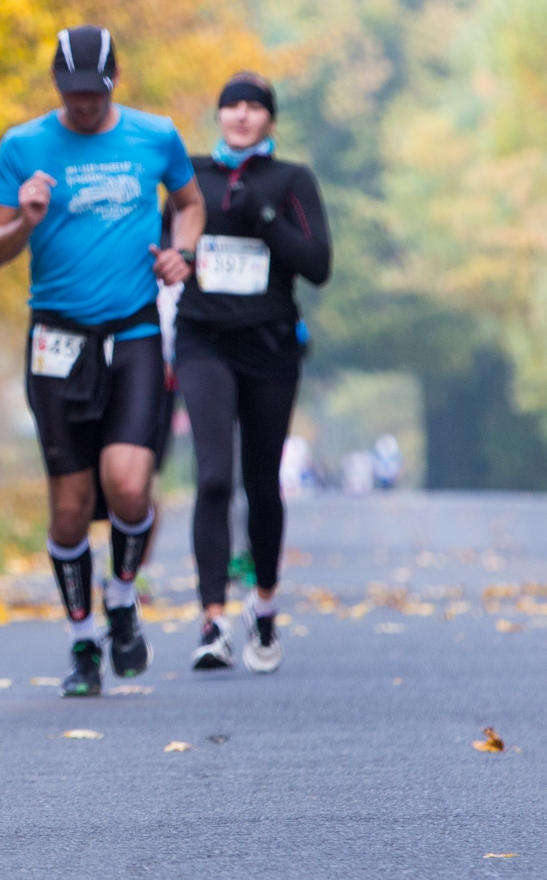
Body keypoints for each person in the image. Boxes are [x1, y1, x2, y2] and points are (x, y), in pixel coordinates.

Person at [0, 25, 205, 697]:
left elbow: (189, 203)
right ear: (56, 84)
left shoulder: (155, 135)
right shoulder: (23, 146)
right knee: (72, 504)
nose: (82, 105)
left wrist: (181, 254)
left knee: (130, 484)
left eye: (94, 92)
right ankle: (84, 643)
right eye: (71, 93)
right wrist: (23, 218)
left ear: (115, 81)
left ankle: (123, 595)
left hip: (133, 329)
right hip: (57, 338)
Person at [173, 71, 330, 674]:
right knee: (214, 476)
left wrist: (267, 220)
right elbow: (166, 247)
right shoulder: (190, 176)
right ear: (218, 115)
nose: (241, 116)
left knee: (262, 484)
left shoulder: (290, 181)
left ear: (269, 119)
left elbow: (317, 265)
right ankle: (212, 620)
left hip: (269, 345)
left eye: (253, 107)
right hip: (203, 339)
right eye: (231, 106)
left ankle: (263, 604)